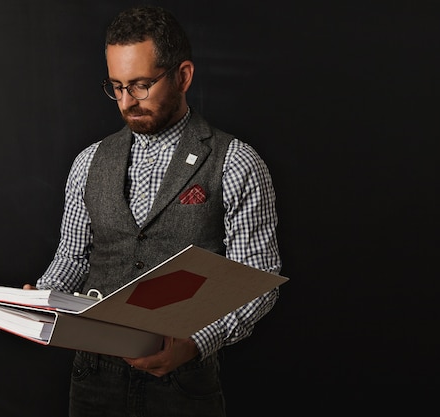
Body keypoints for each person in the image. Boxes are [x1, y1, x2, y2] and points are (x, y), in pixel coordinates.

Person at [24, 5, 282, 417]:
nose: (128, 102)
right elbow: (72, 257)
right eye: (117, 87)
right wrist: (40, 296)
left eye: (142, 85)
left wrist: (196, 342)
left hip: (183, 383)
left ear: (183, 76)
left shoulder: (236, 162)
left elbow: (258, 281)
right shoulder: (88, 161)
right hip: (93, 379)